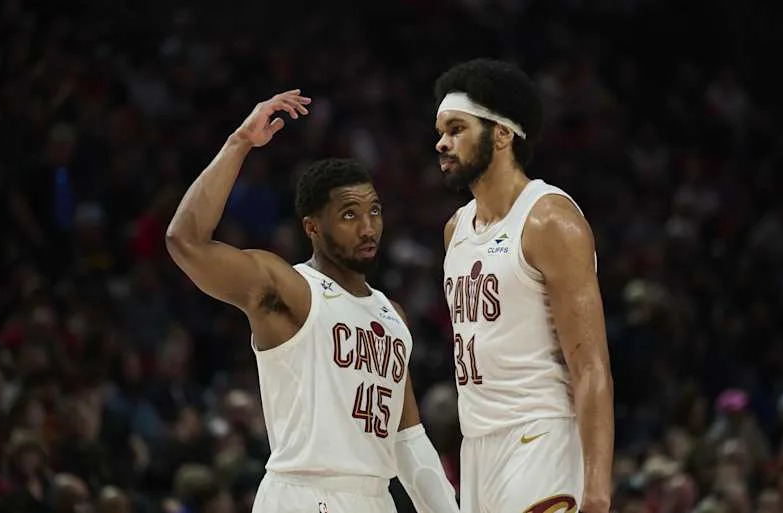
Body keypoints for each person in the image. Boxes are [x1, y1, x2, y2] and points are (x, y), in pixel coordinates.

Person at [166, 90, 458, 513]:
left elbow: (408, 441)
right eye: (349, 214)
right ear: (312, 227)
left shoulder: (392, 315)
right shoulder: (289, 289)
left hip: (374, 498)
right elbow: (185, 241)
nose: (367, 227)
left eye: (374, 211)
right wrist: (239, 143)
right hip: (302, 494)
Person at [434, 60, 615, 513]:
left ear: (502, 134)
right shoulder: (455, 229)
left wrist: (597, 489)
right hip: (476, 448)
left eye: (457, 128)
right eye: (440, 130)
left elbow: (590, 364)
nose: (441, 142)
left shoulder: (549, 219)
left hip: (541, 438)